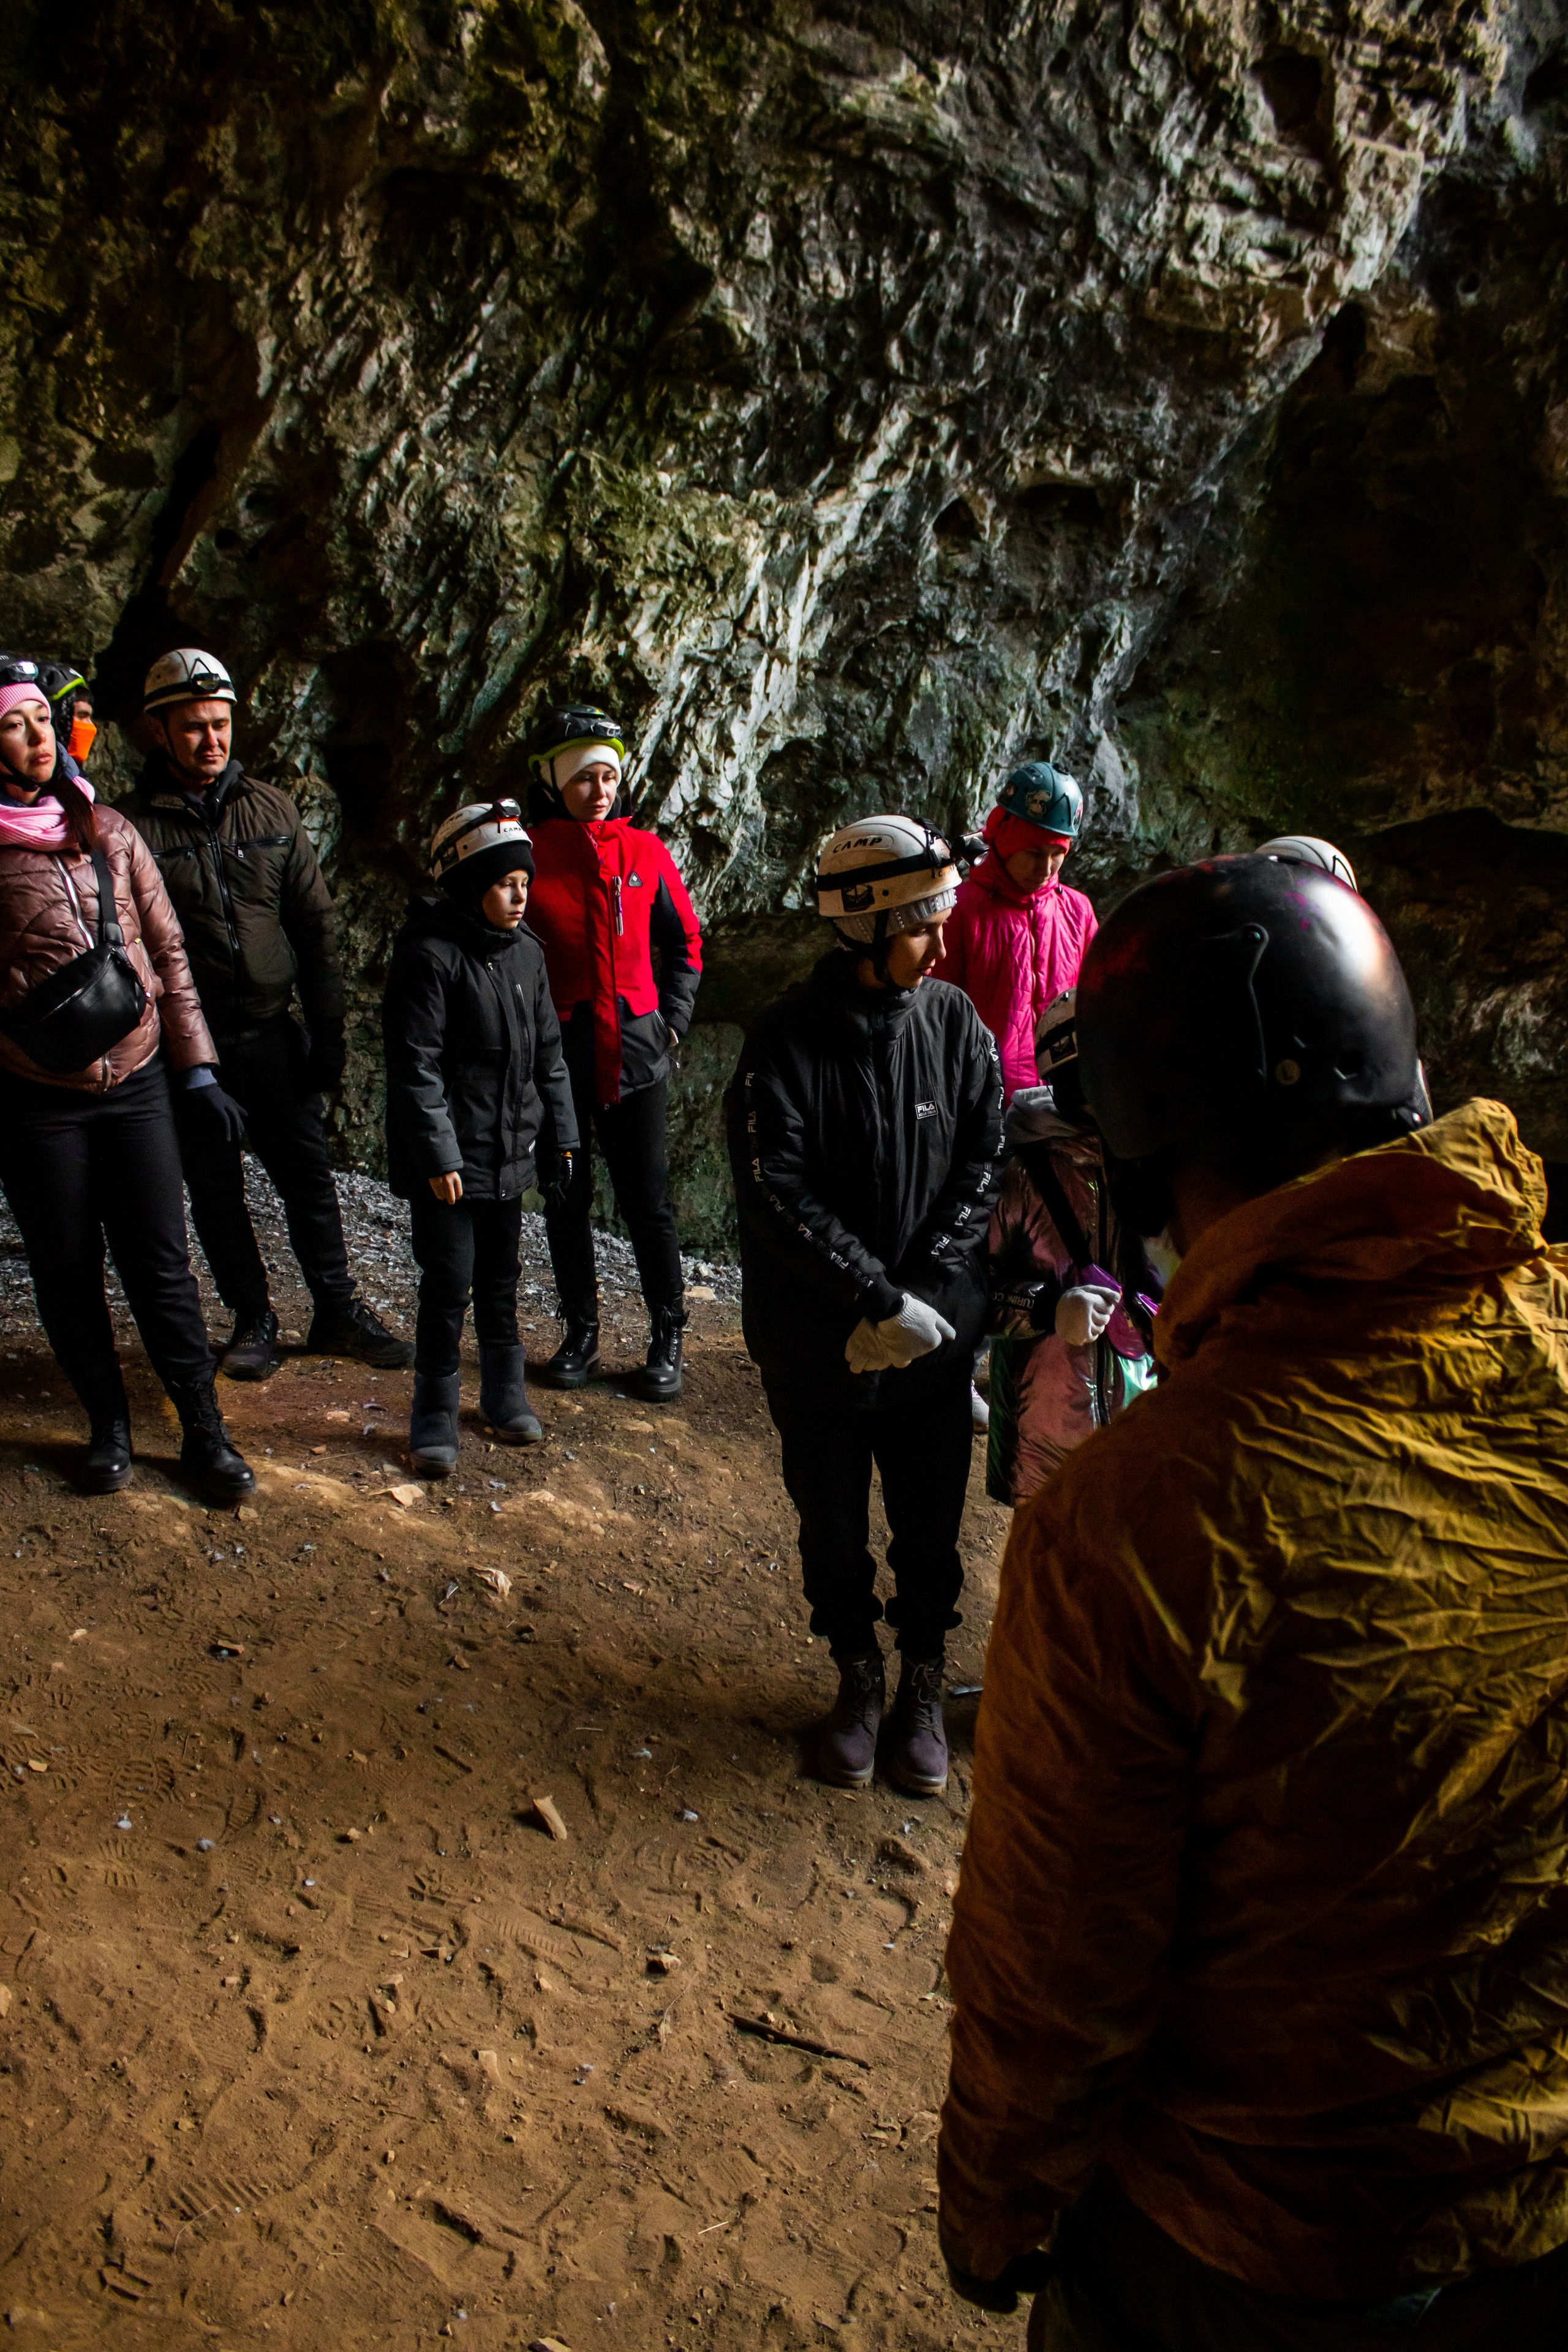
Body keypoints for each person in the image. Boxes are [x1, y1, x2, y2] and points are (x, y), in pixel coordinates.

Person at [938, 855, 1568, 2349]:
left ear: (1152, 1162)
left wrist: (992, 2204)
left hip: (1265, 2238)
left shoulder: (1141, 1513)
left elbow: (1057, 1956)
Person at [726, 815, 1003, 1796]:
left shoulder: (955, 1025)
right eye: (922, 925)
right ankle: (859, 1675)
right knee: (832, 1525)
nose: (939, 944)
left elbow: (983, 1158)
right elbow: (771, 1189)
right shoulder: (783, 1043)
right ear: (865, 926)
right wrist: (871, 1297)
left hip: (930, 1342)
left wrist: (923, 1299)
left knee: (930, 1522)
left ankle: (922, 1678)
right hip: (820, 1347)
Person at [0, 658, 255, 1501]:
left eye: (43, 719)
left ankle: (203, 1434)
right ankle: (107, 1427)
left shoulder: (107, 826)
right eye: (13, 724)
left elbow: (168, 948)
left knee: (162, 1264)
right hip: (38, 1095)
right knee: (66, 1266)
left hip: (139, 1075)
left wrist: (198, 1068)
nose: (38, 739)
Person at [123, 647, 411, 1379]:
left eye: (220, 725)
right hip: (193, 1048)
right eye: (193, 728)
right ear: (158, 730)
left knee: (308, 1178)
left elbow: (315, 927)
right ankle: (253, 1316)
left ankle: (337, 1310)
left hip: (273, 1032)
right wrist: (182, 1060)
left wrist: (328, 1034)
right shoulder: (131, 829)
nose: (212, 740)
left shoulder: (273, 809)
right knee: (216, 1189)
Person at [382, 800, 579, 1477]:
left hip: (509, 1156)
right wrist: (439, 1155)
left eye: (525, 880)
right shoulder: (429, 959)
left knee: (500, 1280)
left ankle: (504, 1395)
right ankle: (433, 1414)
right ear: (470, 886)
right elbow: (416, 1067)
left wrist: (563, 1143)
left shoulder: (527, 955)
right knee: (449, 1284)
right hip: (453, 1164)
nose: (521, 894)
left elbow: (549, 1059)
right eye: (504, 882)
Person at [524, 701, 703, 1403]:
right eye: (584, 779)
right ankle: (581, 1331)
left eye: (607, 777)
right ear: (554, 782)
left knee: (647, 1201)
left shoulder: (646, 853)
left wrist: (673, 1022)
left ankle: (667, 1335)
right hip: (559, 1063)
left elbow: (685, 942)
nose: (599, 791)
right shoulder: (528, 853)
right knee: (565, 1191)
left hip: (635, 1059)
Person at [985, 989, 1158, 1507]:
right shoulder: (1021, 1175)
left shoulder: (1154, 1167)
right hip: (1044, 1441)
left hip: (1143, 1424)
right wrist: (1046, 1307)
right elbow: (971, 1293)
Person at [936, 761, 1098, 1104]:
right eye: (1035, 852)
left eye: (1058, 853)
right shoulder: (960, 912)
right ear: (1006, 841)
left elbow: (1099, 1005)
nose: (1046, 868)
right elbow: (938, 1022)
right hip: (986, 1104)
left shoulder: (1078, 912)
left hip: (1066, 1099)